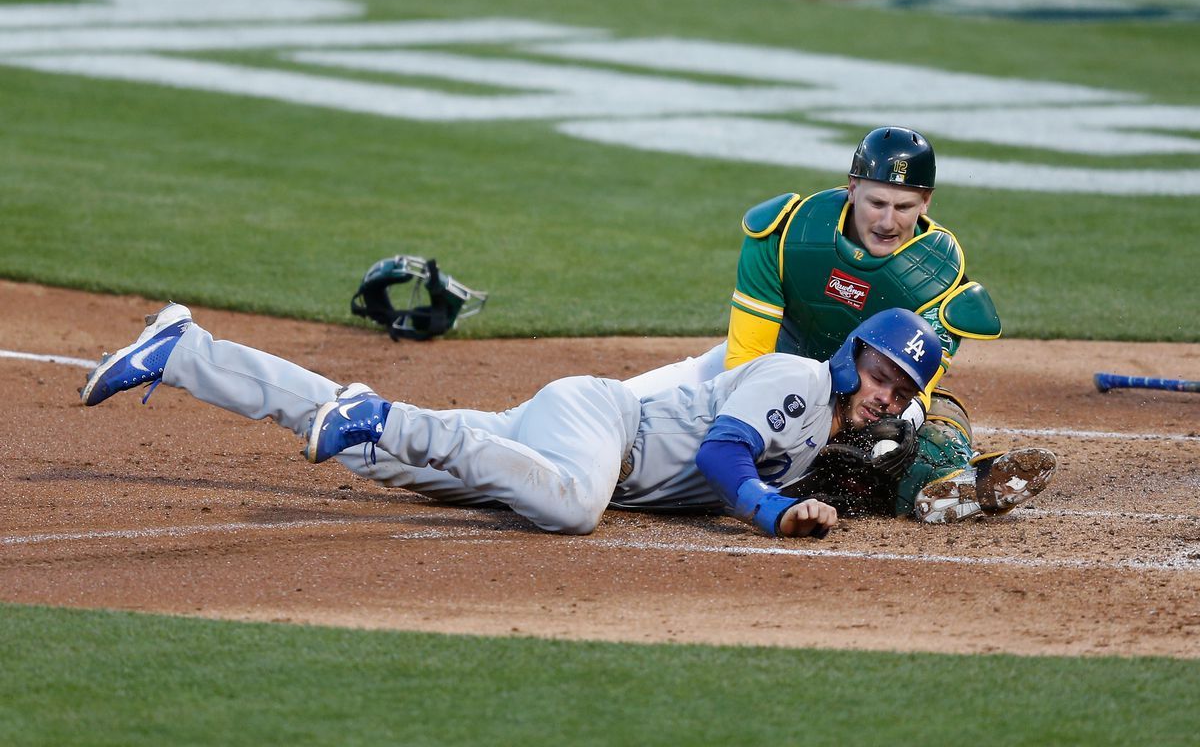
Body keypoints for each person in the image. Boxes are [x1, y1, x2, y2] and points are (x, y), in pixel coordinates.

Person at [79, 303, 993, 538]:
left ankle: (186, 351)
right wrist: (769, 511)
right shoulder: (797, 377)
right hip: (600, 427)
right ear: (852, 358)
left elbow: (829, 469)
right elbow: (722, 459)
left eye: (900, 393)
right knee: (568, 508)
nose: (885, 395)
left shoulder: (830, 430)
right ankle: (381, 414)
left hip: (567, 427)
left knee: (371, 459)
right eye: (880, 375)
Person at [623, 126, 1057, 523]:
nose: (888, 222)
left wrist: (900, 422)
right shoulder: (787, 233)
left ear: (926, 202)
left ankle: (947, 482)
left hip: (858, 398)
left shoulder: (941, 280)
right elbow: (745, 358)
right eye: (877, 202)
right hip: (763, 371)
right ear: (852, 189)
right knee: (627, 410)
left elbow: (915, 379)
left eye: (904, 206)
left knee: (934, 419)